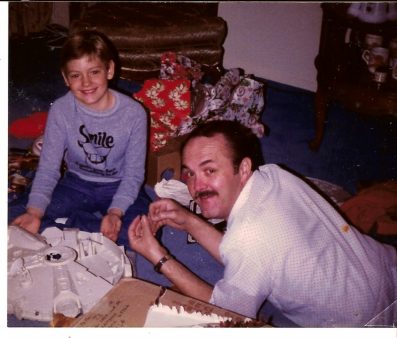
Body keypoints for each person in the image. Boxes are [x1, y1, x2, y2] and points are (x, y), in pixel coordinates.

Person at [128, 119, 397, 327]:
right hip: (388, 271)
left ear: (243, 168)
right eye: (190, 173)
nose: (196, 186)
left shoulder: (248, 236)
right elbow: (253, 252)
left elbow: (227, 311)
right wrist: (188, 221)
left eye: (210, 170)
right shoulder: (273, 175)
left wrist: (158, 257)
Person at [8, 30, 150, 247]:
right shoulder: (61, 109)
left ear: (109, 70)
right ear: (66, 78)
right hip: (76, 185)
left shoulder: (134, 113)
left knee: (142, 233)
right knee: (15, 217)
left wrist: (115, 212)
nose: (86, 83)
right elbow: (48, 169)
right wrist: (34, 213)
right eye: (75, 75)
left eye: (94, 72)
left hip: (118, 186)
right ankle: (85, 227)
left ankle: (69, 228)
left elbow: (133, 175)